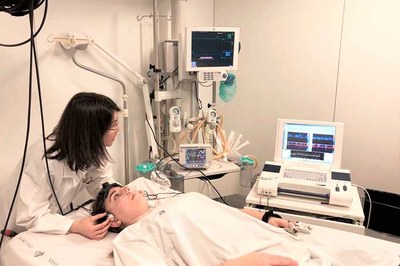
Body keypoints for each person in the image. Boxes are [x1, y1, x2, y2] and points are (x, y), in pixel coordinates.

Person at [92, 182, 312, 266]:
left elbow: (226, 212)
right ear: (114, 221)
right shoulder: (132, 238)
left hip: (281, 245)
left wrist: (266, 218)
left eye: (125, 187)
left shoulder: (174, 201)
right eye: (116, 196)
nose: (127, 190)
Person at [1, 92, 120, 241]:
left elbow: (102, 183)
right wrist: (77, 226)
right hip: (15, 230)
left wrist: (119, 193)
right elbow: (29, 216)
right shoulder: (45, 160)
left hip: (49, 223)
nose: (118, 130)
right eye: (114, 125)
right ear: (93, 131)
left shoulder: (93, 150)